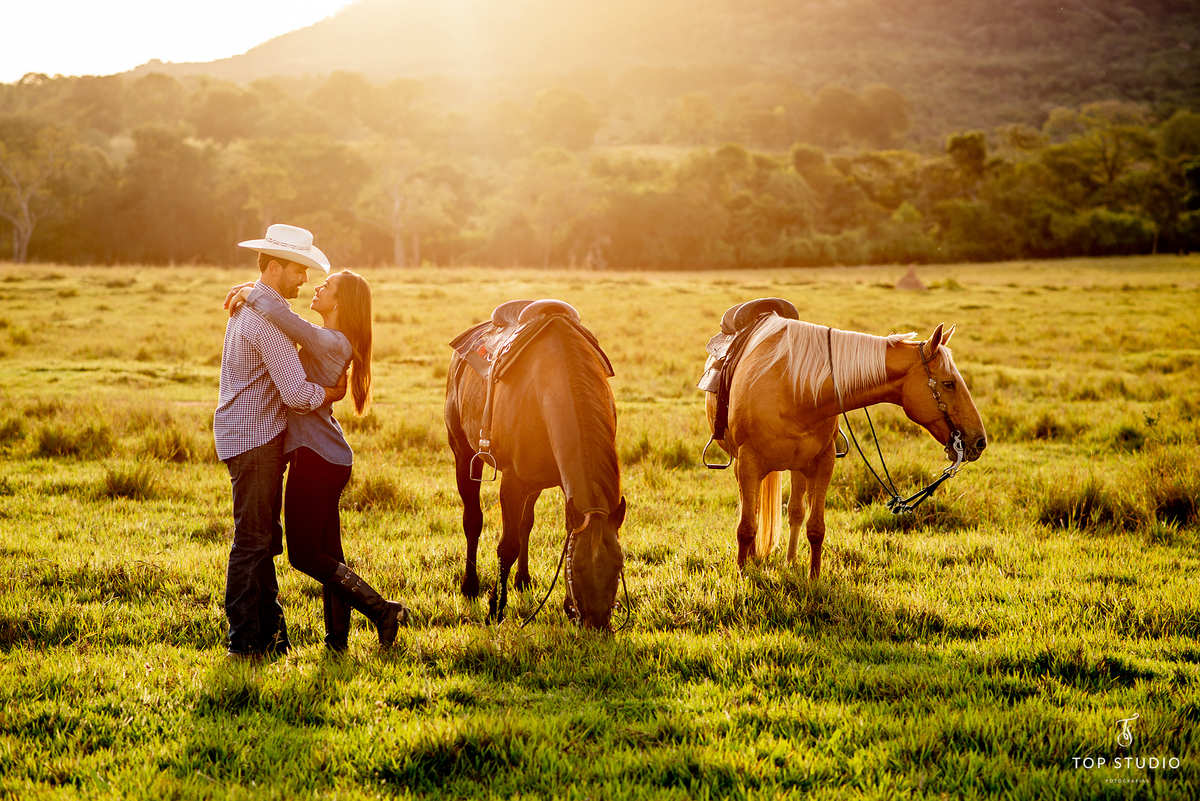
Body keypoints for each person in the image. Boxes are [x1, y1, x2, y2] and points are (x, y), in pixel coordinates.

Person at [227, 261, 409, 653]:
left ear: (340, 303)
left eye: (326, 285)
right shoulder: (332, 338)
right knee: (330, 554)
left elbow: (284, 318)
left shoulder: (328, 340)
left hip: (317, 457)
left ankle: (381, 610)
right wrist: (253, 289)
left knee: (305, 555)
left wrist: (253, 291)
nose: (316, 287)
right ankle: (337, 642)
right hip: (327, 456)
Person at [215, 223, 346, 661]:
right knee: (253, 540)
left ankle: (270, 638)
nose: (303, 280)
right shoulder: (265, 322)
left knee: (263, 538)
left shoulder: (256, 307)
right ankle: (242, 641)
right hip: (255, 439)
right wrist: (330, 394)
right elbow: (296, 394)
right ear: (275, 267)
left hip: (250, 435)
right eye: (297, 271)